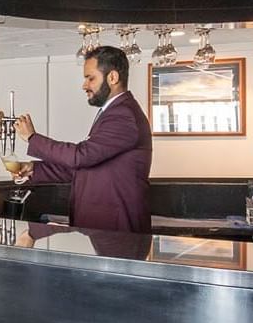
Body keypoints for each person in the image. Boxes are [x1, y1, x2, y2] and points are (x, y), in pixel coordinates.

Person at [13, 45, 152, 234]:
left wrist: (32, 138)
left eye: (90, 78)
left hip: (117, 230)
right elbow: (85, 167)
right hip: (105, 229)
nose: (84, 85)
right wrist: (33, 168)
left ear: (113, 77)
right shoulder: (114, 112)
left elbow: (80, 157)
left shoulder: (123, 115)